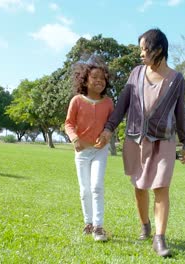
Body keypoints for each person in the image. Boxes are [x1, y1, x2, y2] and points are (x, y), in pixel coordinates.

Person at [96, 28, 185, 257]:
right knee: (139, 188)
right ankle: (145, 224)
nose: (141, 54)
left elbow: (180, 114)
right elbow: (122, 106)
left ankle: (159, 238)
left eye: (145, 49)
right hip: (136, 138)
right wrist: (109, 128)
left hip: (164, 140)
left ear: (158, 50)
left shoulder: (177, 80)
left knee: (161, 187)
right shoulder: (136, 73)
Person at [65, 54, 114, 242]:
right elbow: (69, 123)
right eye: (94, 78)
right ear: (85, 80)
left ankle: (99, 227)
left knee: (96, 187)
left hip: (100, 151)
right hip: (82, 152)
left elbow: (111, 124)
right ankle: (88, 223)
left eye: (102, 79)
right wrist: (74, 137)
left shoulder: (108, 103)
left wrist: (107, 135)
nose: (99, 81)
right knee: (84, 190)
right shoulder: (76, 100)